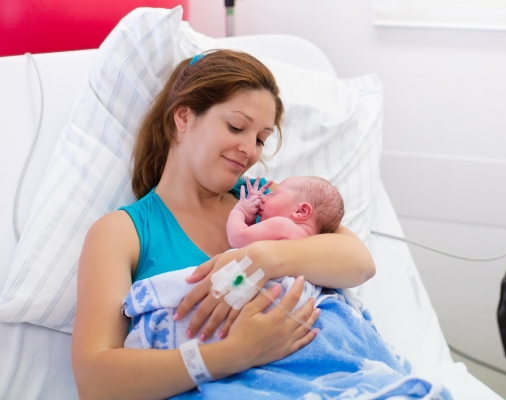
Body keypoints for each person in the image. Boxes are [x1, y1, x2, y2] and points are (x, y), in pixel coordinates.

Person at [71, 49, 375, 399]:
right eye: (236, 127)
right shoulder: (123, 232)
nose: (250, 150)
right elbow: (94, 381)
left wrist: (259, 261)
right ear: (183, 118)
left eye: (261, 138)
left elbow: (359, 262)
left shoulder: (265, 200)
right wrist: (232, 354)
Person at [227, 176, 345, 248]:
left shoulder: (282, 225)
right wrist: (251, 220)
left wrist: (240, 210)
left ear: (301, 211)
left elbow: (237, 238)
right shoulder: (312, 243)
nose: (263, 198)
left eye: (274, 194)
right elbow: (254, 241)